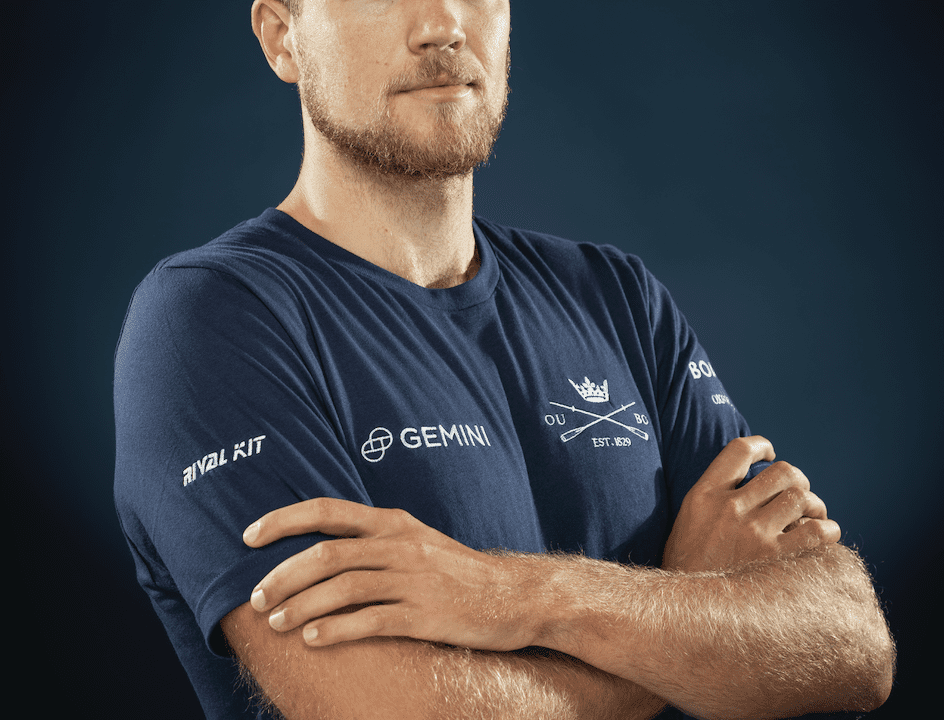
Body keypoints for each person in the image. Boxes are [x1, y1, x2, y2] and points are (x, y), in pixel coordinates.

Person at [113, 1, 895, 718]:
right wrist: (682, 614)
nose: (442, 25)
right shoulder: (207, 323)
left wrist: (517, 595)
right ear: (283, 37)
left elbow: (851, 640)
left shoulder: (618, 297)